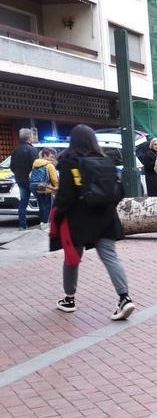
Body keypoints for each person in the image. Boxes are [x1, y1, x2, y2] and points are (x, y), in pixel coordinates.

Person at [51, 124, 134, 321]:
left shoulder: (69, 163)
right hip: (106, 217)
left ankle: (69, 299)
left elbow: (66, 197)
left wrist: (57, 216)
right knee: (110, 257)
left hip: (78, 220)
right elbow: (119, 191)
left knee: (72, 258)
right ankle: (124, 297)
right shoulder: (106, 161)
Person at [9, 128, 38, 230]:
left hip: (20, 180)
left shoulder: (15, 150)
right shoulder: (32, 150)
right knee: (42, 201)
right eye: (32, 135)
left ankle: (22, 225)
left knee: (23, 202)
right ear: (29, 137)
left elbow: (11, 166)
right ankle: (45, 222)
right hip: (32, 181)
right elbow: (36, 166)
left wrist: (18, 174)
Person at [30, 148, 59, 230]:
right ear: (45, 155)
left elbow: (30, 175)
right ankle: (46, 223)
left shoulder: (35, 164)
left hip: (34, 186)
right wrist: (56, 187)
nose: (52, 158)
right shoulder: (49, 165)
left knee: (41, 205)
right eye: (51, 156)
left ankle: (42, 222)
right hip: (45, 187)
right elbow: (54, 179)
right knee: (48, 205)